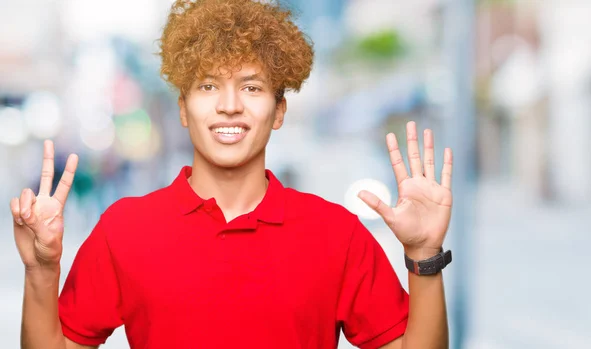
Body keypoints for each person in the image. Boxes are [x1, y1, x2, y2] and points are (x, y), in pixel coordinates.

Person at [10, 0, 454, 348]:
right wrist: (41, 273)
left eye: (251, 87)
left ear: (278, 110)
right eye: (207, 86)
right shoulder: (124, 230)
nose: (229, 105)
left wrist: (425, 256)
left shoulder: (337, 235)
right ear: (183, 108)